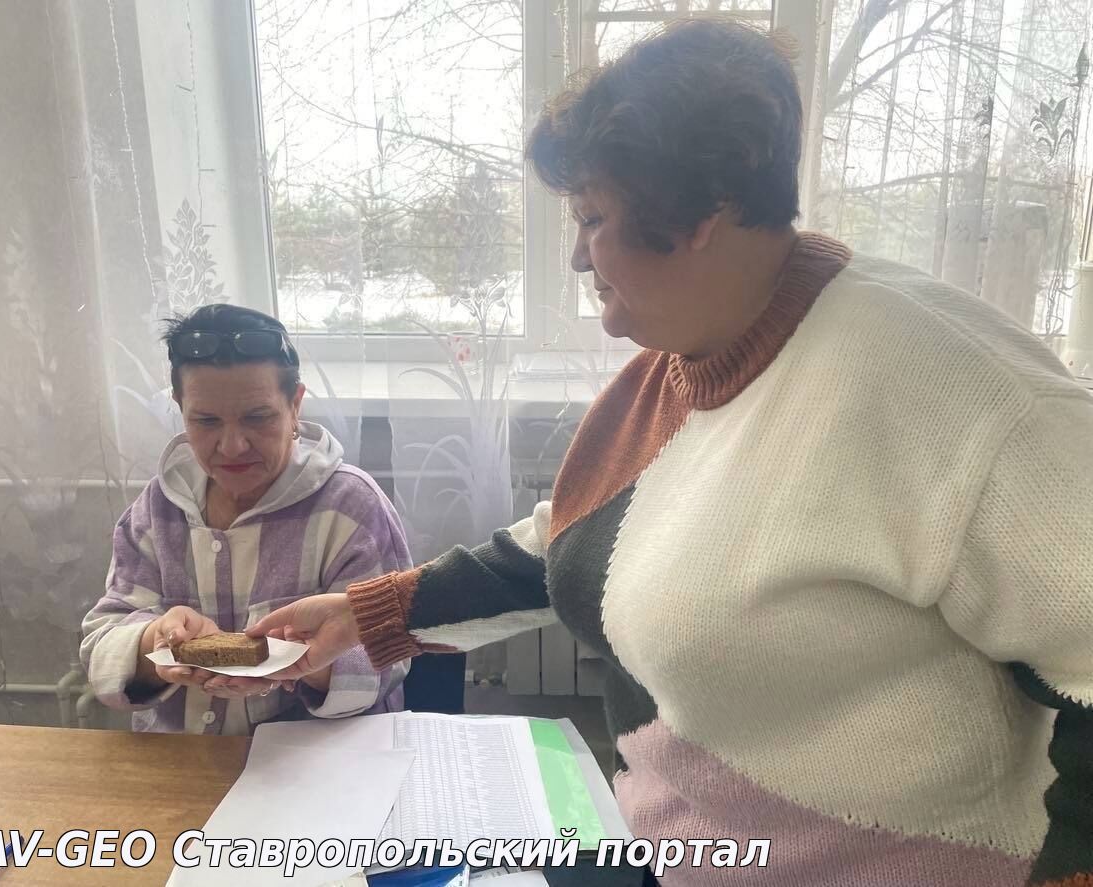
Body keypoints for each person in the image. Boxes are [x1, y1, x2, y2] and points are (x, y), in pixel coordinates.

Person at [248, 19, 1093, 887]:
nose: (576, 257)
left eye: (592, 217)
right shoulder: (679, 366)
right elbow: (572, 542)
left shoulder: (957, 392)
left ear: (701, 212)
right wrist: (363, 616)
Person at [81, 304, 410, 735]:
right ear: (180, 407)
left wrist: (303, 661)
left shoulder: (351, 508)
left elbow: (389, 658)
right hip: (181, 760)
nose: (232, 446)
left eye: (258, 417)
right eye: (206, 421)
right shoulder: (158, 508)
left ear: (295, 405)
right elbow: (101, 646)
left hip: (311, 760)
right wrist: (156, 639)